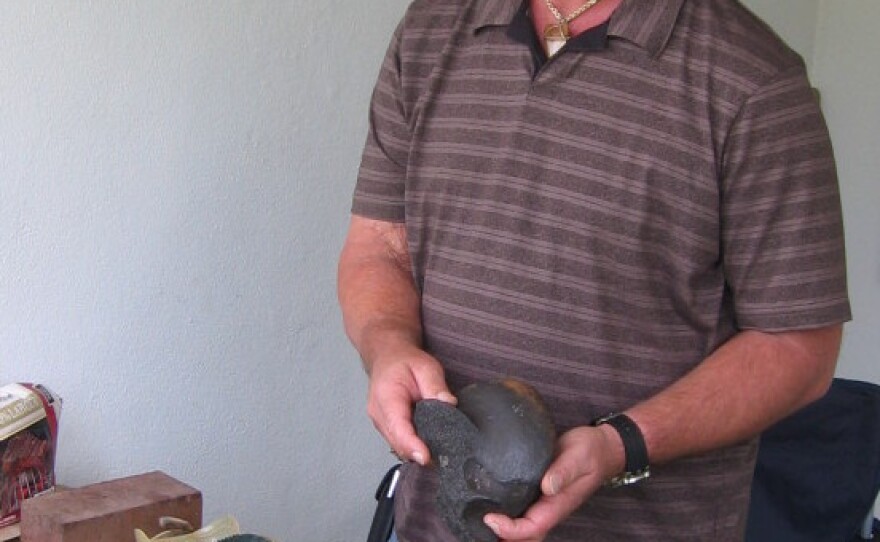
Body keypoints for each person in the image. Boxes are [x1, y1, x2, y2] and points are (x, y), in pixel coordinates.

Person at [338, 0, 851, 540]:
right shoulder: (433, 29)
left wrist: (622, 444)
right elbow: (379, 247)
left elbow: (799, 348)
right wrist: (387, 345)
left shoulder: (753, 77)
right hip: (434, 526)